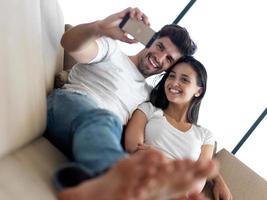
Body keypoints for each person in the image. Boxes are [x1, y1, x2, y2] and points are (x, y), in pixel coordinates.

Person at [125, 56, 232, 200]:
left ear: (199, 91)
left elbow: (196, 185)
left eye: (184, 79)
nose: (174, 83)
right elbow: (134, 150)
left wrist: (162, 159)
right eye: (172, 76)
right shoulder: (148, 109)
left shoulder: (205, 136)